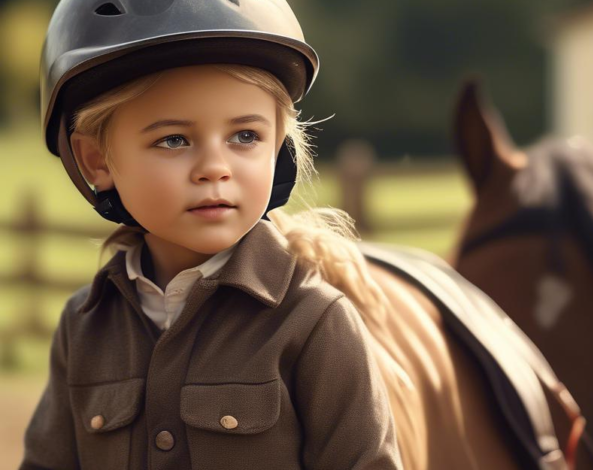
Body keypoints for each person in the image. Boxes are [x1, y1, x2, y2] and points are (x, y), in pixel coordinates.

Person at [21, 0, 402, 469]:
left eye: (245, 136)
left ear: (277, 147)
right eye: (174, 140)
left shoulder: (315, 323)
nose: (215, 169)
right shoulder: (84, 327)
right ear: (97, 161)